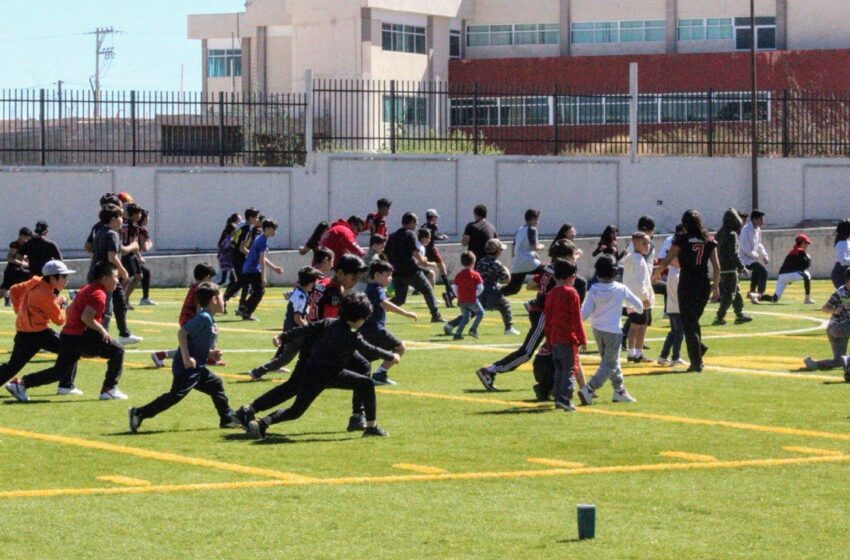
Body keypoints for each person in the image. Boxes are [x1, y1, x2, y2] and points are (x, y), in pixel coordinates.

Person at [246, 292, 398, 439]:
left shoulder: (329, 322)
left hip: (310, 371)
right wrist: (391, 355)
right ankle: (371, 427)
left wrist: (283, 336)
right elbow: (370, 349)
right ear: (360, 318)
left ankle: (261, 423)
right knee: (367, 383)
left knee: (295, 411)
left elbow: (306, 329)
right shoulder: (352, 336)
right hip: (331, 375)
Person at [6, 261, 128, 402]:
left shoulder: (84, 288)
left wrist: (19, 310)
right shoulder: (97, 294)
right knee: (118, 350)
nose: (117, 280)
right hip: (67, 335)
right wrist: (101, 330)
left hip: (64, 334)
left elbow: (14, 290)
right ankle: (109, 389)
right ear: (105, 278)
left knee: (58, 371)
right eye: (115, 277)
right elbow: (79, 318)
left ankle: (22, 384)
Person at [129, 282, 239, 432]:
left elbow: (197, 343)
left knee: (215, 383)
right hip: (187, 367)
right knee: (175, 396)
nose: (224, 301)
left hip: (197, 367)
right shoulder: (204, 318)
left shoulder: (209, 319)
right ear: (213, 300)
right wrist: (187, 358)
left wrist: (211, 353)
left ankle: (227, 418)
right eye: (221, 297)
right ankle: (139, 413)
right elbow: (182, 333)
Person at [474, 239, 578, 391]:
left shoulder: (548, 268)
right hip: (543, 314)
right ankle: (490, 370)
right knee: (527, 352)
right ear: (566, 255)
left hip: (541, 312)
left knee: (553, 350)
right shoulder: (559, 272)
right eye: (572, 255)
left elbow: (534, 285)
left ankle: (552, 383)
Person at [654, 210, 720, 373]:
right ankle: (699, 351)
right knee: (692, 321)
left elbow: (668, 259)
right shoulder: (708, 240)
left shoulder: (681, 239)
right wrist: (716, 285)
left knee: (688, 323)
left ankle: (696, 362)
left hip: (687, 283)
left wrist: (656, 273)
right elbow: (717, 266)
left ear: (684, 223)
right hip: (703, 283)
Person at [0, 260, 78, 393]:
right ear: (53, 278)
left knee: (12, 367)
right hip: (40, 334)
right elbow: (59, 320)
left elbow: (13, 290)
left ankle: (65, 385)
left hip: (24, 332)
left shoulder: (35, 282)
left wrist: (20, 312)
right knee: (71, 350)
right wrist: (64, 306)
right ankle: (65, 386)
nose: (66, 281)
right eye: (64, 277)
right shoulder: (45, 295)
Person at [577, 255, 643, 406]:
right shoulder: (620, 288)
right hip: (613, 331)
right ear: (615, 272)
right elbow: (638, 305)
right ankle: (589, 388)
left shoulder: (593, 289)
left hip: (597, 329)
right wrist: (633, 309)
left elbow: (584, 313)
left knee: (610, 361)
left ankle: (619, 391)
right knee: (610, 363)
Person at [247, 266, 322, 381]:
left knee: (284, 359)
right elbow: (297, 318)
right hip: (296, 332)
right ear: (311, 283)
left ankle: (257, 372)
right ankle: (315, 376)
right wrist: (309, 328)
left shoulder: (299, 293)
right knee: (315, 350)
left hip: (291, 331)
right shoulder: (300, 296)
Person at [89, 204, 142, 345]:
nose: (122, 220)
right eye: (120, 217)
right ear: (113, 219)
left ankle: (124, 333)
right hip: (107, 276)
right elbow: (112, 256)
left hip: (100, 273)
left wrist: (133, 246)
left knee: (120, 302)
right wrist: (123, 270)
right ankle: (100, 339)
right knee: (105, 309)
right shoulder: (113, 234)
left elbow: (119, 250)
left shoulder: (101, 231)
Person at [151, 262, 218, 368]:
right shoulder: (201, 289)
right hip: (190, 319)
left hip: (187, 318)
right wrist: (200, 321)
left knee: (197, 342)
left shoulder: (196, 287)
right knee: (193, 347)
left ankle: (209, 357)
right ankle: (161, 355)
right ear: (207, 277)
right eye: (210, 278)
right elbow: (198, 307)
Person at [360, 260, 417, 385]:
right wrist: (406, 313)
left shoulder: (371, 288)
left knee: (368, 356)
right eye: (387, 275)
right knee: (400, 347)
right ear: (377, 275)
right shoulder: (376, 289)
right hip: (376, 329)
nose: (390, 279)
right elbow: (385, 304)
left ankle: (365, 378)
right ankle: (380, 373)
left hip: (366, 329)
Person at [544, 259, 587, 412]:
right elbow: (576, 319)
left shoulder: (551, 294)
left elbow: (547, 319)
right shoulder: (571, 293)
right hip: (568, 338)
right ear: (572, 277)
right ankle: (565, 398)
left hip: (554, 337)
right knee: (570, 369)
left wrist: (548, 339)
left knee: (559, 369)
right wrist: (582, 339)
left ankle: (558, 397)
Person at [386, 212, 443, 323]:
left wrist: (391, 265)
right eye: (415, 223)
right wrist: (423, 261)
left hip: (397, 271)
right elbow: (414, 251)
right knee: (427, 289)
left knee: (399, 299)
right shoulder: (410, 234)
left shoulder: (393, 236)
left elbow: (385, 253)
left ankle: (376, 309)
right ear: (411, 222)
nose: (416, 226)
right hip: (410, 270)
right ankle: (436, 315)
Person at [803, 268, 850, 379]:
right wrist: (835, 310)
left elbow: (824, 308)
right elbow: (825, 308)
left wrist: (834, 310)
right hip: (840, 327)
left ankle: (815, 364)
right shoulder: (843, 293)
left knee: (838, 361)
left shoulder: (841, 290)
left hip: (834, 329)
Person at [239, 219, 284, 321]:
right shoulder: (262, 240)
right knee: (259, 291)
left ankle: (244, 308)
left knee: (258, 291)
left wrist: (274, 268)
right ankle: (245, 310)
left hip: (248, 268)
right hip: (252, 269)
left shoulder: (261, 238)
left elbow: (262, 258)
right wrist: (263, 277)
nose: (275, 232)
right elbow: (261, 259)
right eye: (273, 229)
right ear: (267, 229)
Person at [714, 208, 752, 325]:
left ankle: (739, 314)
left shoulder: (719, 234)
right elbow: (734, 253)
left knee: (736, 291)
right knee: (730, 294)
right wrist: (742, 267)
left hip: (722, 268)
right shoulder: (732, 234)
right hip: (730, 268)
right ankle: (719, 316)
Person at [657, 226, 687, 367]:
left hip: (673, 306)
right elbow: (680, 292)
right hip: (677, 307)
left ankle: (664, 355)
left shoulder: (675, 271)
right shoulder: (676, 273)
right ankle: (675, 356)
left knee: (674, 332)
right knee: (679, 332)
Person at [622, 232, 654, 363]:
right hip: (639, 299)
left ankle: (631, 352)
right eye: (644, 243)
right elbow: (640, 282)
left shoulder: (630, 258)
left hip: (630, 299)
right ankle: (638, 353)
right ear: (635, 244)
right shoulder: (638, 260)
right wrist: (645, 298)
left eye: (648, 243)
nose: (647, 246)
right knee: (641, 326)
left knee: (634, 326)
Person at [223, 207, 260, 311]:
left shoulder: (241, 225)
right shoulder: (247, 228)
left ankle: (238, 304)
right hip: (239, 257)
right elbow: (242, 247)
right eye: (256, 217)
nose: (257, 219)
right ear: (251, 218)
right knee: (243, 282)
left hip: (234, 255)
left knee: (242, 282)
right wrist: (252, 256)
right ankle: (229, 300)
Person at [762, 234, 815, 304]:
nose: (807, 245)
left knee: (774, 298)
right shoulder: (800, 251)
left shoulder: (793, 251)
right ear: (802, 243)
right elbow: (805, 265)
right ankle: (807, 299)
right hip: (790, 274)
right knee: (807, 275)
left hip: (782, 275)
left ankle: (757, 296)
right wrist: (809, 258)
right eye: (806, 243)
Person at [505, 209, 544, 296]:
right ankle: (542, 291)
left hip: (517, 263)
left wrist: (514, 260)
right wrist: (541, 246)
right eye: (537, 219)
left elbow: (514, 246)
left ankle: (493, 294)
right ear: (533, 219)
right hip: (529, 262)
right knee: (548, 271)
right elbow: (534, 247)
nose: (538, 221)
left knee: (512, 289)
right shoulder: (532, 229)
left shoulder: (519, 230)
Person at [422, 209, 454, 308]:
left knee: (425, 267)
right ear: (431, 217)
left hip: (424, 249)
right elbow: (434, 236)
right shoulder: (433, 226)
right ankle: (448, 287)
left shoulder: (423, 226)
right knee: (441, 266)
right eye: (435, 217)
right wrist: (442, 237)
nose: (436, 219)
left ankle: (418, 287)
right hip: (431, 249)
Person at [17, 221, 62, 288]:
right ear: (46, 231)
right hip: (47, 276)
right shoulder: (50, 244)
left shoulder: (28, 244)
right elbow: (60, 261)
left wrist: (25, 263)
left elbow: (18, 257)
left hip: (33, 277)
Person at [452, 251, 485, 340]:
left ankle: (458, 333)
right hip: (471, 299)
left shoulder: (459, 275)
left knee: (465, 317)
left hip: (461, 300)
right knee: (481, 313)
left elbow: (454, 287)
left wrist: (458, 296)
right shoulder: (475, 274)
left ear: (462, 262)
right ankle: (473, 329)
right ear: (474, 262)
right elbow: (481, 287)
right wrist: (475, 295)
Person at [739, 210, 769, 301]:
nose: (762, 221)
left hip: (752, 258)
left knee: (757, 272)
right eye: (760, 219)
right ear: (754, 219)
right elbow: (744, 247)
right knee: (763, 272)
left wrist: (764, 255)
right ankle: (759, 294)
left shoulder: (758, 230)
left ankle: (752, 293)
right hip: (743, 259)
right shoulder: (745, 230)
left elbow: (759, 244)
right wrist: (754, 255)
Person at [0, 227, 33, 306]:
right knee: (4, 288)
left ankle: (9, 297)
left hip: (19, 270)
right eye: (26, 237)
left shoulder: (27, 246)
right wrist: (21, 263)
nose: (27, 240)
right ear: (21, 235)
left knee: (5, 288)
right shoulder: (15, 245)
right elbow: (9, 258)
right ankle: (8, 297)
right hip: (13, 269)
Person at [120, 204, 144, 306]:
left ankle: (123, 299)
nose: (140, 216)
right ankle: (121, 299)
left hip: (122, 253)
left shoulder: (123, 223)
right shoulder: (133, 226)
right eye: (138, 213)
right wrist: (139, 256)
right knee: (130, 277)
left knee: (131, 277)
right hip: (128, 254)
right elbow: (133, 243)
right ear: (132, 214)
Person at [136, 208, 157, 306]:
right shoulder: (141, 230)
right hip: (134, 256)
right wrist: (150, 244)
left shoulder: (134, 227)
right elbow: (144, 247)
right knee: (144, 273)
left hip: (131, 255)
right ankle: (145, 298)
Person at [216, 213, 240, 291]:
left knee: (229, 280)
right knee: (227, 280)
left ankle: (229, 292)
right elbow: (227, 249)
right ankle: (213, 290)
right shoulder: (229, 240)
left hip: (227, 261)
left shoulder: (229, 239)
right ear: (232, 231)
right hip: (227, 261)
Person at [831, 219, 850, 289]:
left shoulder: (846, 242)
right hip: (840, 274)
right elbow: (843, 261)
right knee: (845, 297)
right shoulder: (841, 243)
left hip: (846, 273)